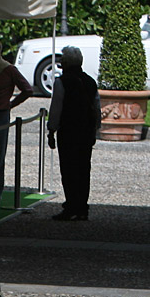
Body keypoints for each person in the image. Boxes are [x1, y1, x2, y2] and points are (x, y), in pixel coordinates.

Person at [47, 46, 101, 221]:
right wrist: (95, 128)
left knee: (69, 169)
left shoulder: (62, 82)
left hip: (69, 130)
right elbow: (97, 108)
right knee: (84, 169)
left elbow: (56, 108)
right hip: (85, 131)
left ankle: (71, 205)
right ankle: (82, 206)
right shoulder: (90, 82)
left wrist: (51, 130)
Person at [0, 38, 33, 208]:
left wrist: (11, 104)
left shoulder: (9, 69)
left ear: (0, 52)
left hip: (0, 115)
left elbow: (27, 89)